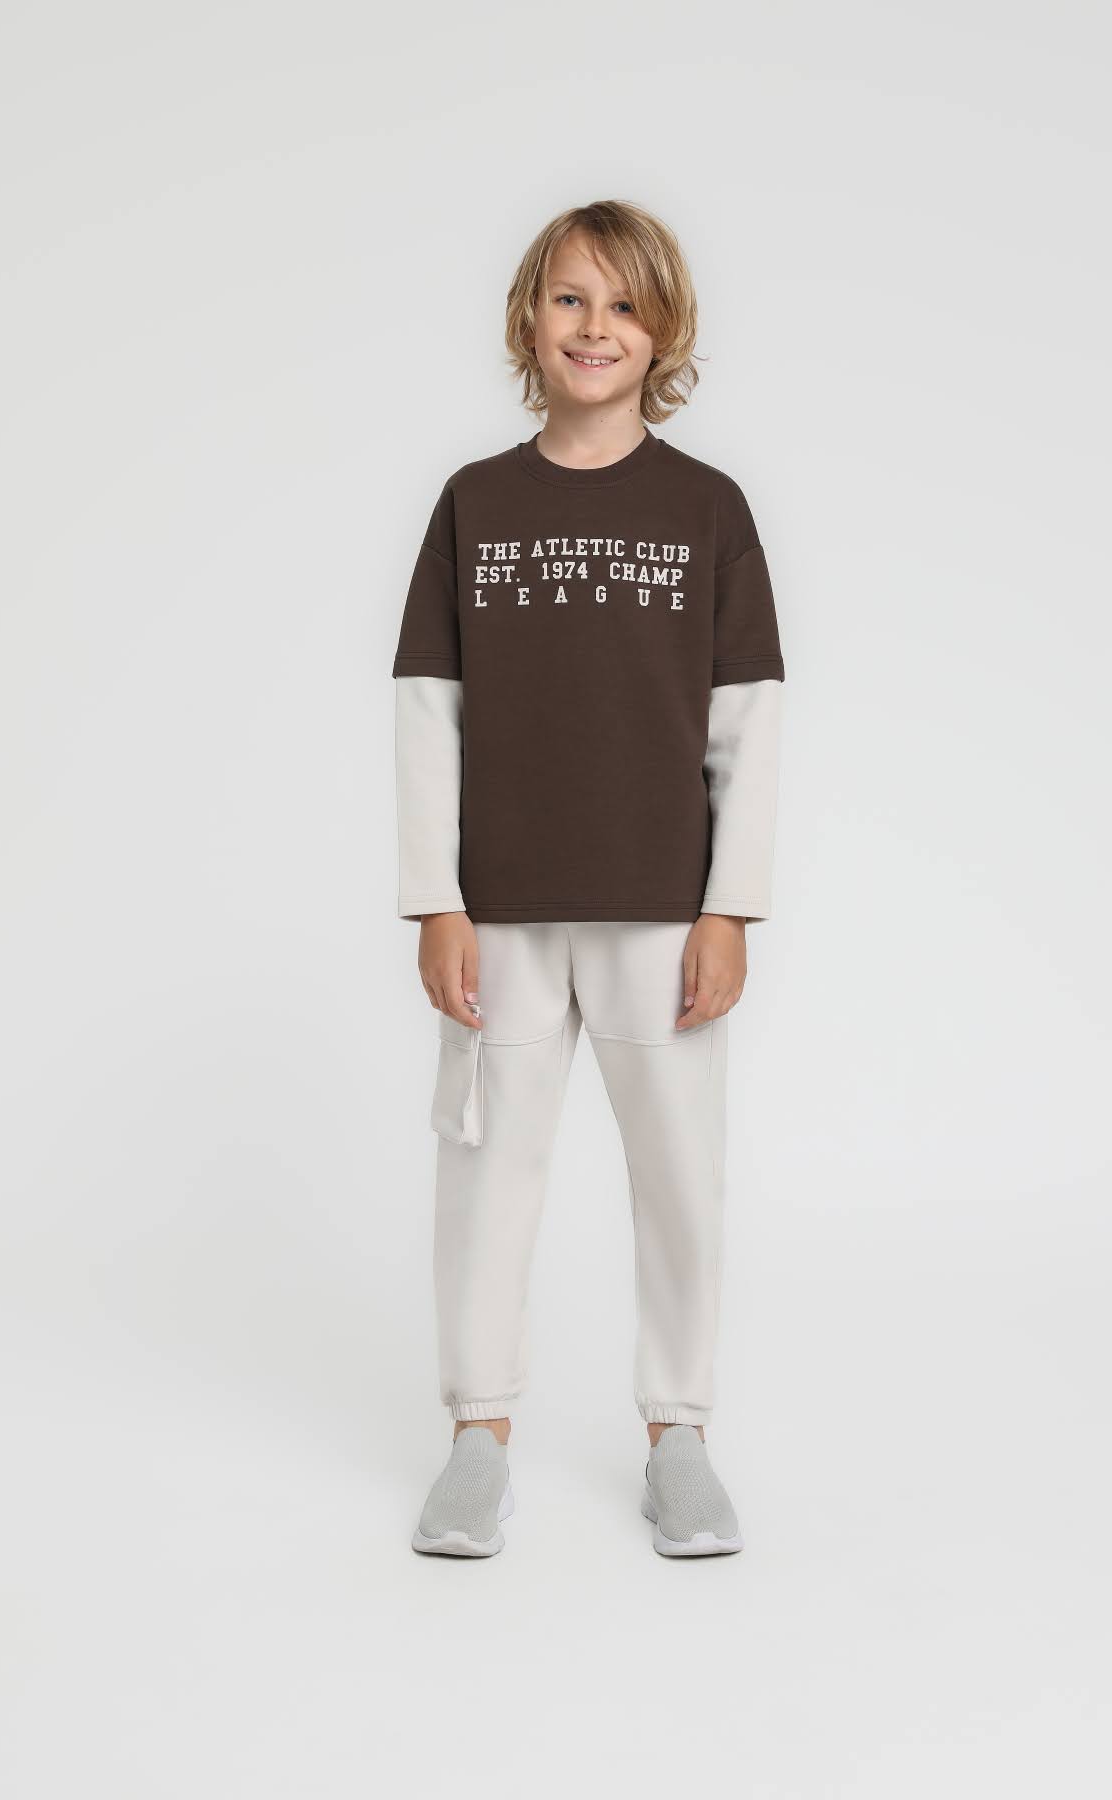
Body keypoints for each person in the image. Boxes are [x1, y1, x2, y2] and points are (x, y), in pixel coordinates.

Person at [392, 199, 785, 1557]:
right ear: (529, 319)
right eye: (570, 299)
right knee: (486, 1171)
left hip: (661, 911)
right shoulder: (475, 504)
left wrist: (730, 908)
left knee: (679, 1174)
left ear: (664, 330)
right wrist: (436, 899)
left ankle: (680, 1435)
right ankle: (477, 1435)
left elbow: (749, 723)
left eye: (624, 304)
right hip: (500, 909)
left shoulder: (708, 510)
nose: (595, 327)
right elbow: (428, 709)